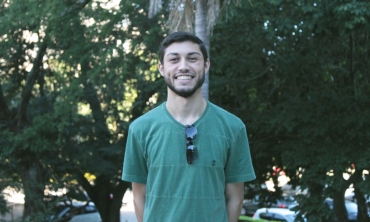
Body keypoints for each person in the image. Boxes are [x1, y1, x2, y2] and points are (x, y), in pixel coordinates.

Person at [121, 31, 255, 222]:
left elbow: (235, 197)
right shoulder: (140, 129)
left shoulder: (233, 127)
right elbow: (139, 197)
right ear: (161, 68)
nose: (183, 66)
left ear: (206, 65)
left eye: (192, 59)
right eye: (174, 59)